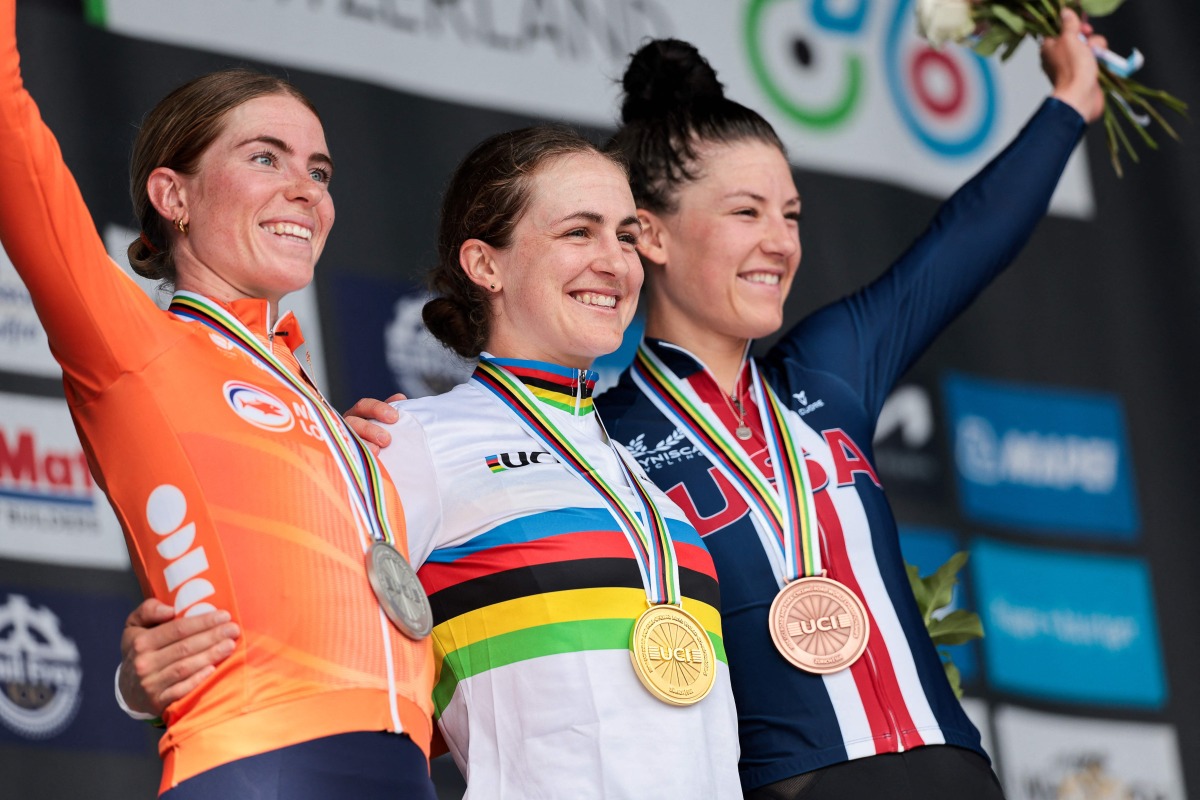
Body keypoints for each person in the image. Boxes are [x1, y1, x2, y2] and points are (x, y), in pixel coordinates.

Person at [120, 125, 744, 798]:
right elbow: (297, 631)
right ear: (485, 265)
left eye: (625, 235)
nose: (616, 263)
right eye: (578, 233)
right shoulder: (409, 443)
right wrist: (140, 679)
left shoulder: (646, 485)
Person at [592, 18, 1104, 800]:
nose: (780, 242)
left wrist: (1070, 98)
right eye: (746, 213)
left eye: (790, 214)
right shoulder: (603, 434)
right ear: (652, 235)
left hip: (951, 768)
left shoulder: (827, 372)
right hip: (794, 785)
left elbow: (962, 243)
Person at [0, 1, 434, 797]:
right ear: (174, 195)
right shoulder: (131, 346)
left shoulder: (335, 421)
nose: (306, 189)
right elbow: (8, 132)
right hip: (257, 762)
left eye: (320, 170)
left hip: (404, 765)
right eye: (266, 158)